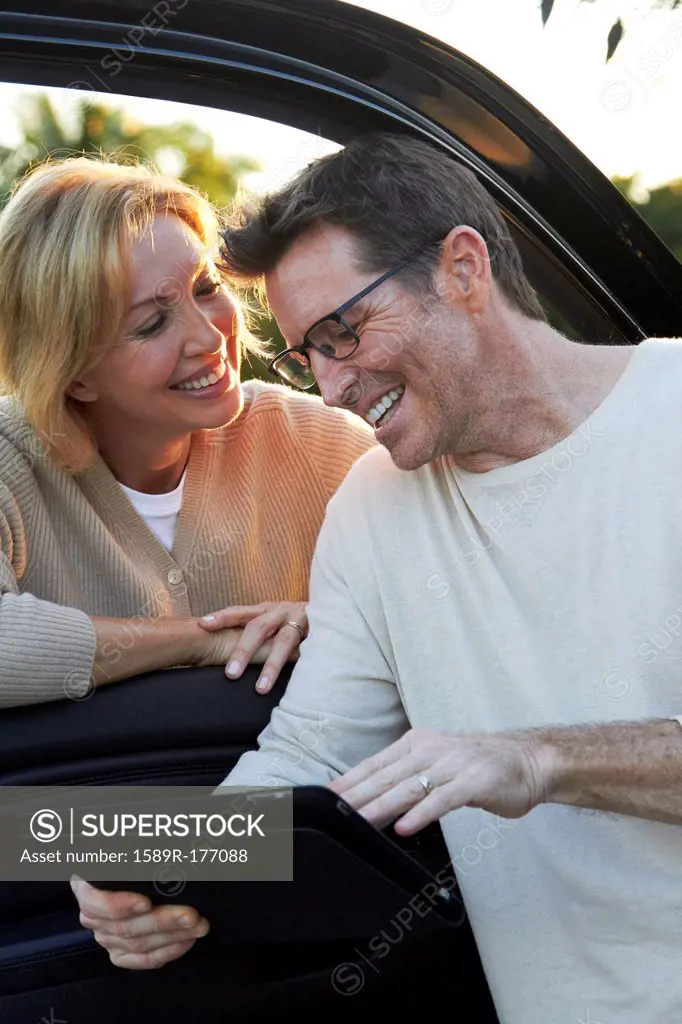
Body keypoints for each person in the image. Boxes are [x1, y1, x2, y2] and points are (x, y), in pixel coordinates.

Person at [72, 134, 681, 1024]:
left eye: (342, 332)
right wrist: (151, 863)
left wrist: (536, 757)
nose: (330, 386)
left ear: (462, 268)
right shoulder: (373, 504)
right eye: (303, 357)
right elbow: (311, 757)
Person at [0, 156, 374, 710]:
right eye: (152, 324)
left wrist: (331, 622)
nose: (209, 336)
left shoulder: (321, 444)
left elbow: (438, 600)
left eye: (205, 287)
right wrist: (204, 640)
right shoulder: (11, 463)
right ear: (73, 374)